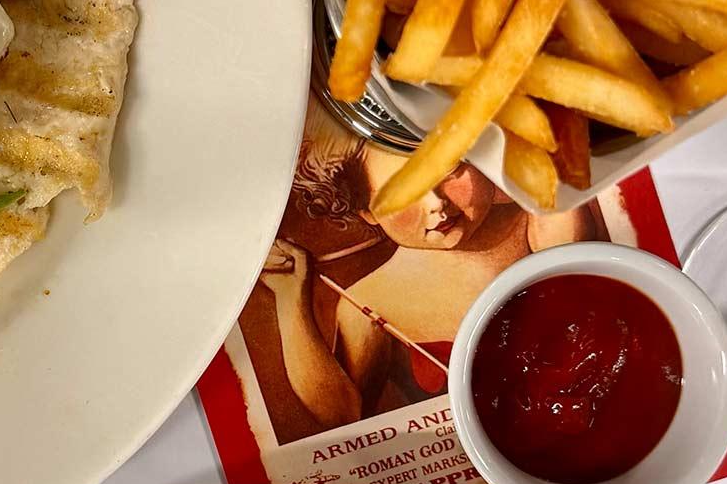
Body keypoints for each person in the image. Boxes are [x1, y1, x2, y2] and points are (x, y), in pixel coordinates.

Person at [258, 136, 610, 435]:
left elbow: (573, 278)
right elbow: (342, 417)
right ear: (367, 212)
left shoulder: (536, 212)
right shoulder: (370, 301)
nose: (437, 204)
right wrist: (291, 299)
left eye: (449, 169)